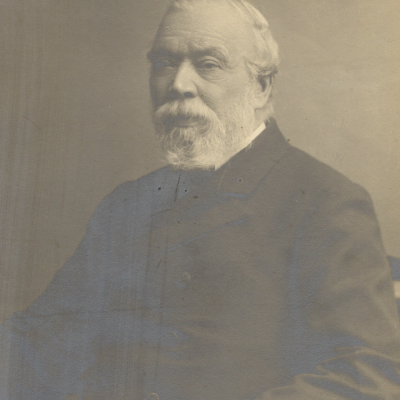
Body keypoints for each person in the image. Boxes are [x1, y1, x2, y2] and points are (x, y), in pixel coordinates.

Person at [1, 0, 400, 399]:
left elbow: (364, 375)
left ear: (261, 86)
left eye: (208, 64)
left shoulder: (325, 202)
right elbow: (39, 340)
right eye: (164, 62)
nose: (179, 84)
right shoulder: (126, 204)